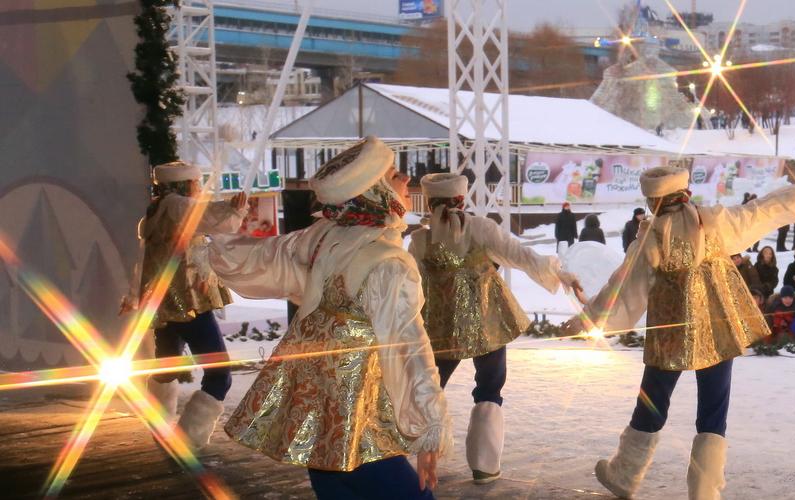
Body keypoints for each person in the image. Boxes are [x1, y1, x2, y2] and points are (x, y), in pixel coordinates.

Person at [565, 167, 795, 499]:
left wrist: (589, 319)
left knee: (653, 398)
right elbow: (764, 209)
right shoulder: (712, 221)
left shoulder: (651, 235)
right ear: (684, 192)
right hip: (717, 326)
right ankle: (704, 490)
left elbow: (624, 286)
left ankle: (625, 473)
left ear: (652, 199)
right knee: (714, 407)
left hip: (670, 330)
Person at [205, 137, 450, 498]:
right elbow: (410, 345)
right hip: (356, 412)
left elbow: (253, 258)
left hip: (316, 405)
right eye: (397, 175)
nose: (407, 182)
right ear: (376, 190)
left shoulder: (324, 237)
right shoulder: (387, 263)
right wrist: (432, 424)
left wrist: (222, 230)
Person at [408, 173, 582, 484]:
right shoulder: (481, 228)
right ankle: (484, 464)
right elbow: (522, 256)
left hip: (439, 328)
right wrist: (563, 275)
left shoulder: (421, 240)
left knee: (430, 388)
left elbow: (408, 288)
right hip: (488, 324)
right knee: (489, 388)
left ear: (430, 201)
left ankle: (421, 456)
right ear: (461, 199)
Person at [129, 161, 248, 450]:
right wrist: (235, 208)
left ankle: (159, 427)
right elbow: (212, 218)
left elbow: (143, 262)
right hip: (190, 302)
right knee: (219, 374)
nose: (198, 187)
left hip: (165, 304)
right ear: (184, 185)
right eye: (196, 182)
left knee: (166, 368)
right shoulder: (178, 206)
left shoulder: (155, 212)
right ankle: (189, 437)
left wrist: (134, 296)